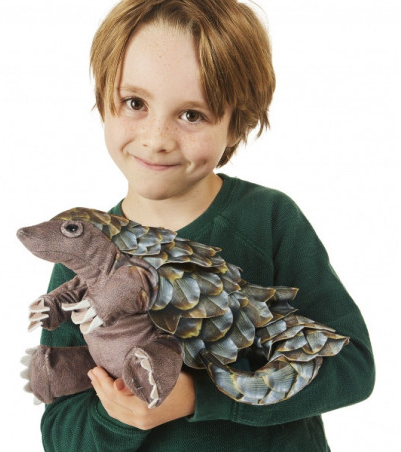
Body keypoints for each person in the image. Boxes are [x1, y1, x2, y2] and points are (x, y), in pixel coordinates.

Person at [39, 0, 375, 450]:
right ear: (103, 98)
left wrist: (201, 397)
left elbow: (351, 366)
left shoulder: (270, 219)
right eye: (134, 102)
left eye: (191, 114)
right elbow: (61, 430)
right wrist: (121, 419)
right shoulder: (78, 251)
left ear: (237, 122)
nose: (156, 139)